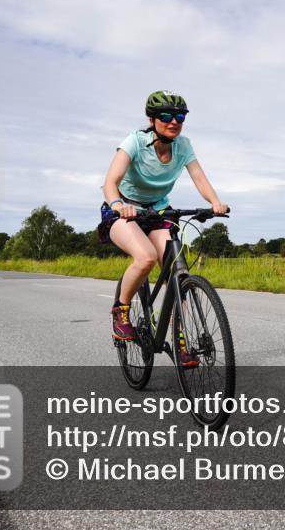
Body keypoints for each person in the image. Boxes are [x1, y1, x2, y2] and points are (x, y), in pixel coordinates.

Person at [99, 91, 228, 365]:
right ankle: (120, 311)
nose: (174, 122)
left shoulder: (183, 146)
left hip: (157, 210)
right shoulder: (134, 142)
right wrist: (118, 203)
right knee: (145, 257)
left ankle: (180, 343)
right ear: (152, 119)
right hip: (124, 209)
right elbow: (110, 182)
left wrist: (215, 202)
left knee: (175, 272)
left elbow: (199, 177)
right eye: (166, 116)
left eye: (179, 117)